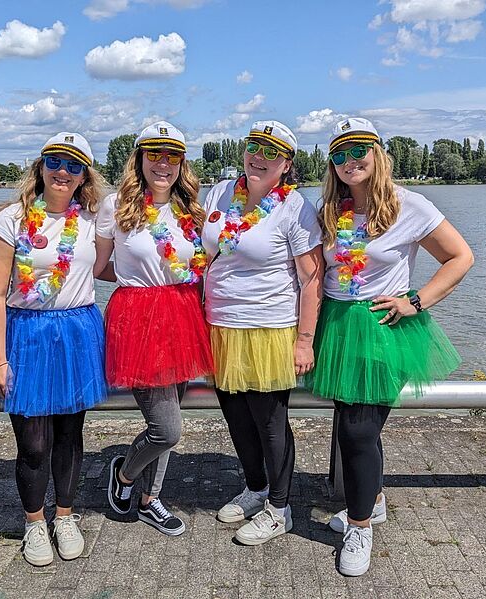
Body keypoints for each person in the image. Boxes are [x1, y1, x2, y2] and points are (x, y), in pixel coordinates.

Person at [306, 118, 474, 576]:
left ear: (378, 153)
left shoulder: (409, 205)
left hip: (381, 325)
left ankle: (359, 526)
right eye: (339, 154)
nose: (349, 161)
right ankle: (372, 501)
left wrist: (416, 300)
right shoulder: (328, 208)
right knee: (352, 423)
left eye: (358, 150)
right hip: (337, 324)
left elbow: (460, 257)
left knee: (358, 431)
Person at [0, 132, 108, 566]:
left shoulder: (92, 221)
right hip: (25, 334)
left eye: (74, 165)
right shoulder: (11, 219)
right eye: (56, 162)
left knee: (69, 435)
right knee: (34, 443)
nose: (64, 171)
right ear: (41, 167)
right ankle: (33, 522)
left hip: (77, 332)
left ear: (84, 177)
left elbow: (115, 263)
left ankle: (65, 515)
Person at [201, 120, 323, 546]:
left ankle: (280, 507)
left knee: (270, 422)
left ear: (287, 164)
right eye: (255, 146)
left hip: (269, 326)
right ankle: (255, 488)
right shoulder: (218, 193)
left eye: (272, 152)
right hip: (221, 325)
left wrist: (304, 340)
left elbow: (312, 279)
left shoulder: (295, 207)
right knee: (236, 419)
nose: (260, 157)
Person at [97, 121, 213, 535]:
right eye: (154, 155)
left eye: (173, 156)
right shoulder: (116, 206)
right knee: (167, 429)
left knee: (171, 413)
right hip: (140, 319)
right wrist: (136, 283)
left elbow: (201, 264)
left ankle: (150, 500)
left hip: (183, 315)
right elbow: (98, 267)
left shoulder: (190, 210)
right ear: (140, 159)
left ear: (182, 163)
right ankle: (125, 476)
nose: (163, 164)